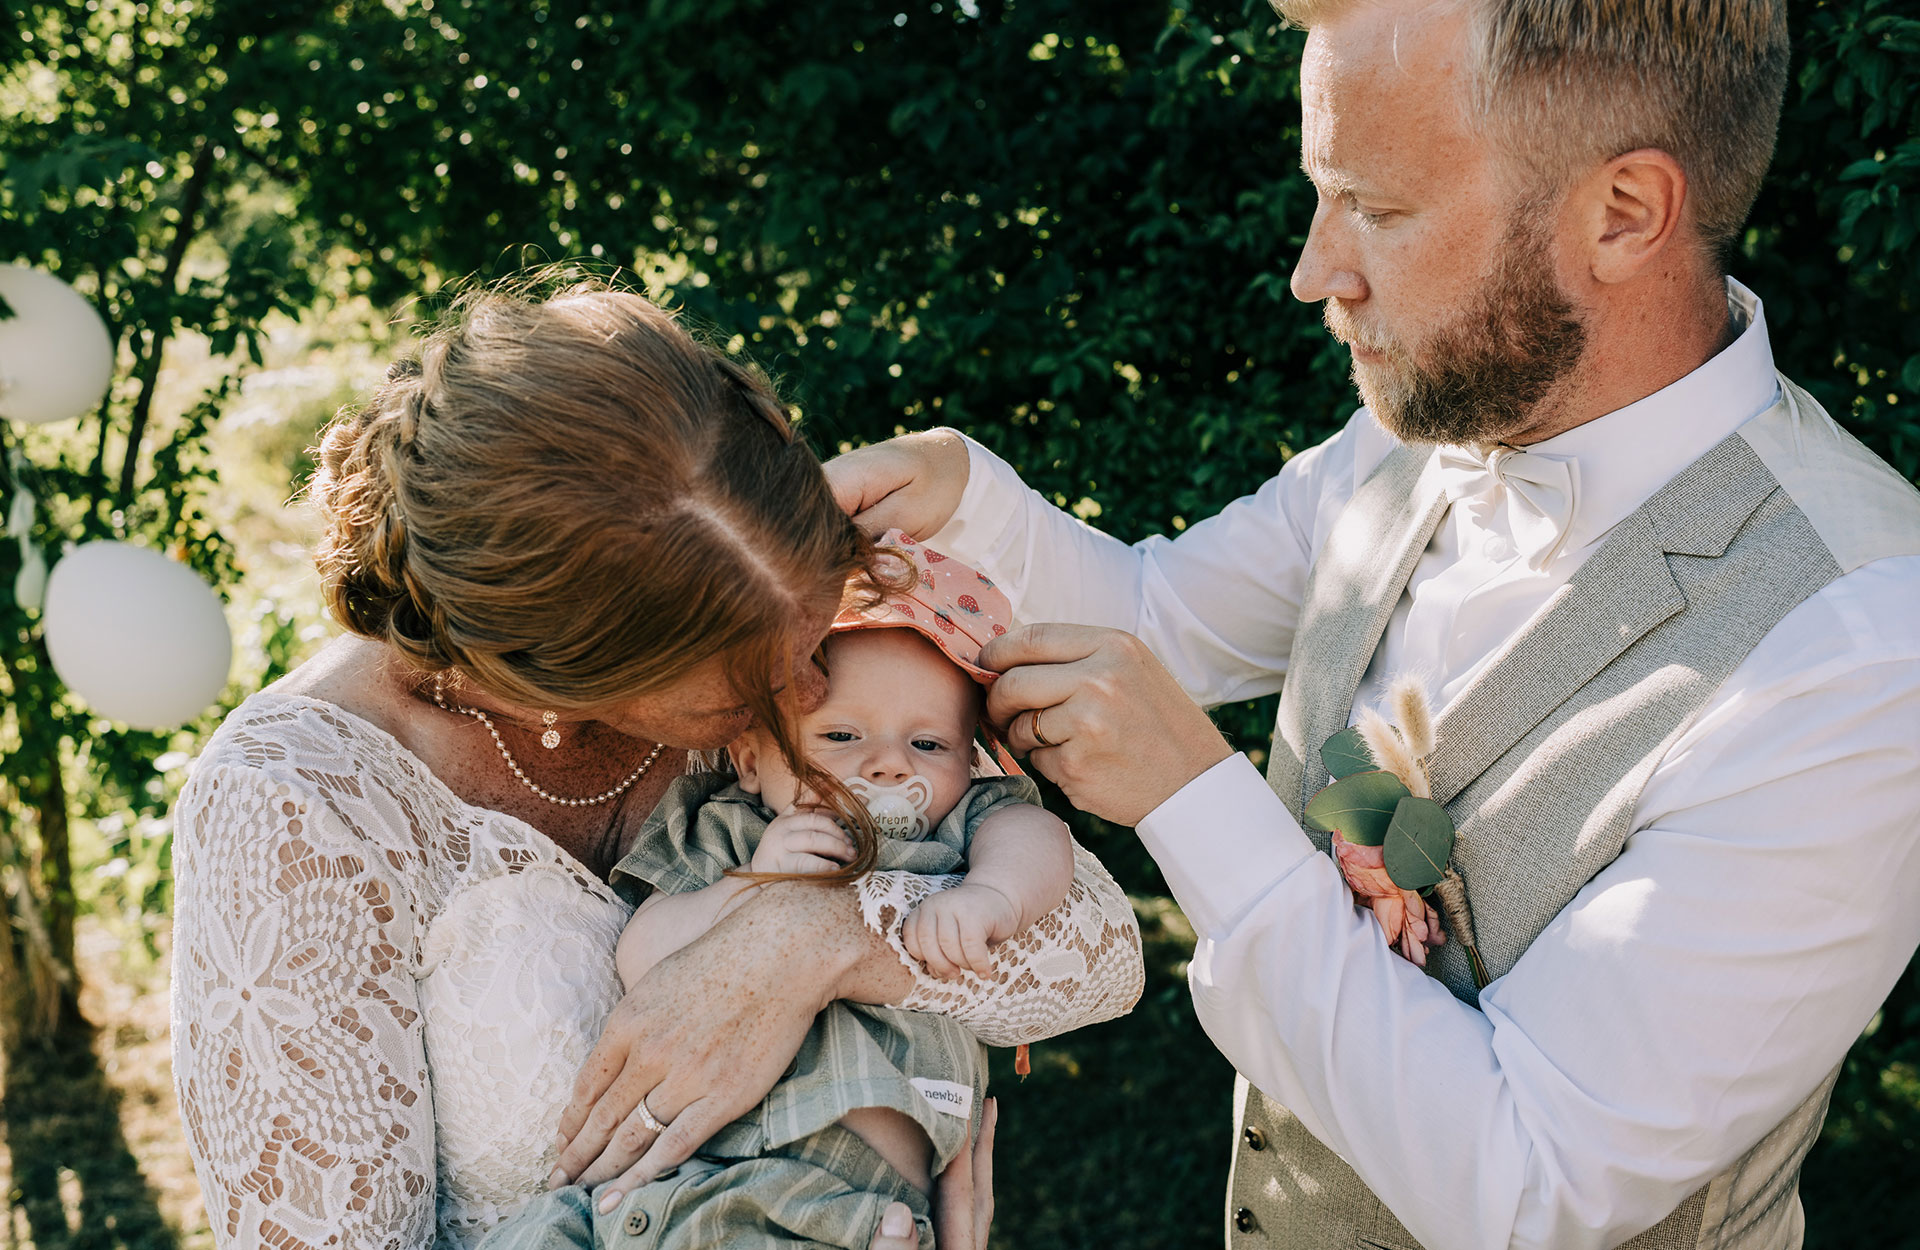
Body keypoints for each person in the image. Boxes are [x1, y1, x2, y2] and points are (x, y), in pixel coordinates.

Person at [827, 1, 1920, 1247]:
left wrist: (1197, 798)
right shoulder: (1413, 430)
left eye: (1379, 210)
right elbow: (1158, 619)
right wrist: (968, 494)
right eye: (1320, 196)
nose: (1313, 271)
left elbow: (1530, 1183)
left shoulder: (1862, 648)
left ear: (1625, 213)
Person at [167, 282, 1144, 1249]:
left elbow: (1096, 957)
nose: (812, 698)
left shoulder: (743, 581)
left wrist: (808, 937)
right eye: (752, 692)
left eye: (818, 638)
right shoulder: (298, 803)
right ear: (564, 670)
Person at [478, 534, 1077, 1249]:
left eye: (927, 745)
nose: (886, 764)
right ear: (752, 759)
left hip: (826, 1199)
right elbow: (641, 952)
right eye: (842, 735)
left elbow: (1039, 838)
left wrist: (994, 897)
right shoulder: (726, 831)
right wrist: (745, 894)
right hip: (646, 1186)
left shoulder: (955, 833)